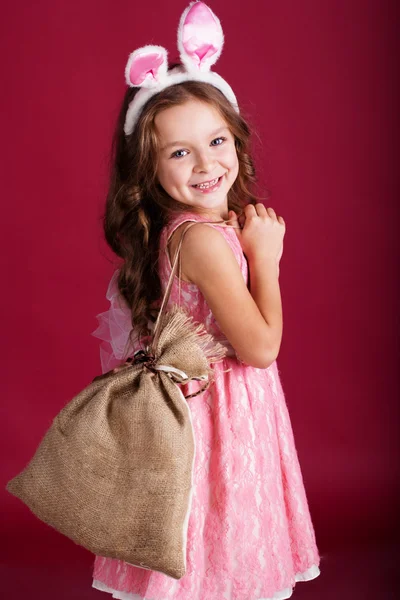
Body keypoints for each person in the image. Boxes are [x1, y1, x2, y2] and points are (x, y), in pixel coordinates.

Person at [91, 2, 321, 599]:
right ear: (147, 169)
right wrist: (265, 259)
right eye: (178, 152)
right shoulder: (203, 241)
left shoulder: (196, 231)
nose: (204, 163)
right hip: (219, 423)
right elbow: (261, 348)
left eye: (215, 140)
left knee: (204, 562)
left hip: (210, 413)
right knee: (213, 560)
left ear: (238, 140)